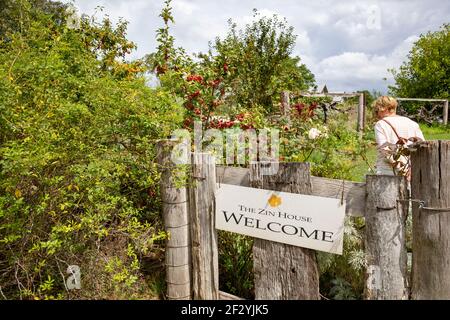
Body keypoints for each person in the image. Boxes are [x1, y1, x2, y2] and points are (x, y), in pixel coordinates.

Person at [373, 96, 425, 178]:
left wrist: (400, 168)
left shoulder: (381, 124)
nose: (376, 113)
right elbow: (422, 147)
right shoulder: (412, 123)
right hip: (411, 171)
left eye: (376, 110)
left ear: (383, 108)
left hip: (388, 171)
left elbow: (385, 149)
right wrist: (410, 168)